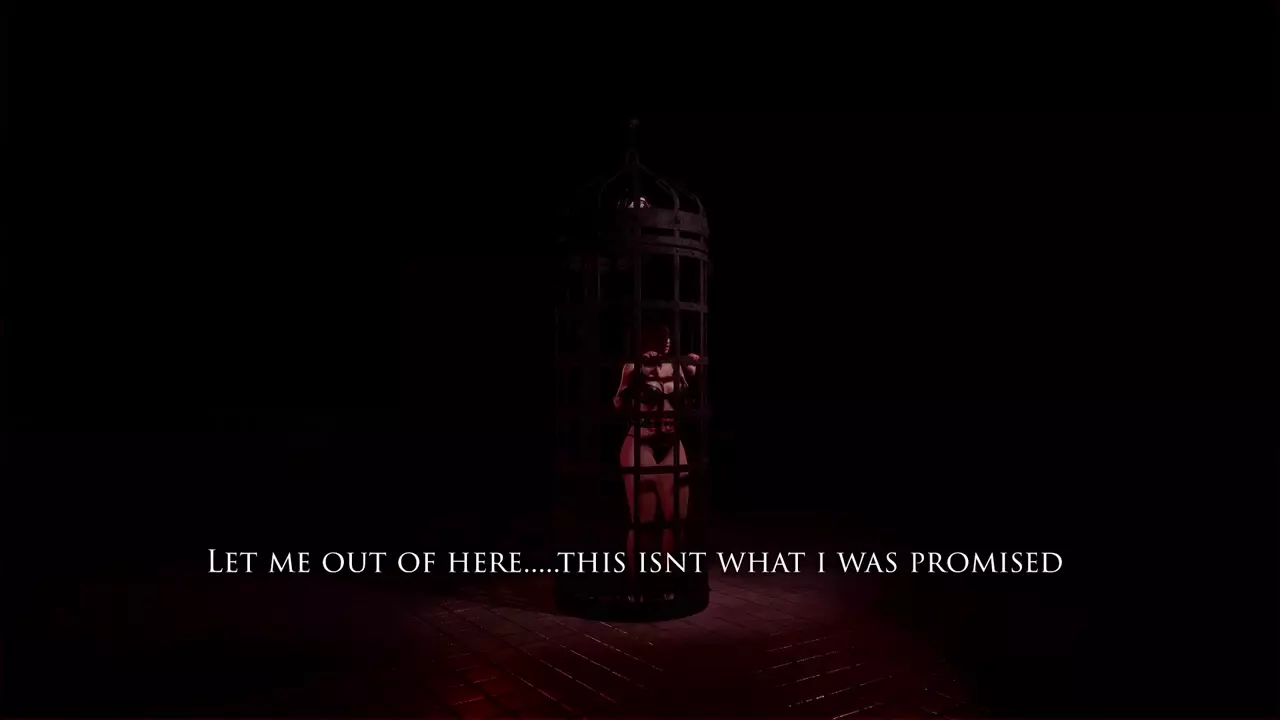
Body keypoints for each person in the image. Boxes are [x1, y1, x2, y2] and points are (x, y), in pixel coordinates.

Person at [613, 325, 701, 575]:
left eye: (669, 337)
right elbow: (618, 403)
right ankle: (639, 582)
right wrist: (640, 375)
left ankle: (666, 579)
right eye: (661, 337)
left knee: (677, 519)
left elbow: (691, 403)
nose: (667, 342)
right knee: (644, 521)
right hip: (642, 441)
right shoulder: (633, 366)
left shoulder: (678, 366)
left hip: (672, 441)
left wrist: (693, 371)